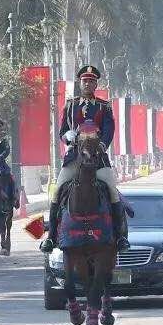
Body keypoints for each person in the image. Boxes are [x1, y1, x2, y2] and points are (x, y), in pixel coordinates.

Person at [40, 65, 129, 253]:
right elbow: (62, 131)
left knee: (112, 191)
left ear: (96, 84)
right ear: (80, 83)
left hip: (98, 159)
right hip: (74, 158)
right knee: (57, 192)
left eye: (91, 81)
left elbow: (108, 131)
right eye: (84, 81)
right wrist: (67, 137)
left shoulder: (104, 106)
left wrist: (101, 146)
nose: (87, 84)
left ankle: (120, 236)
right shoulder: (70, 105)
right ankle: (51, 237)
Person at [0, 118, 15, 204]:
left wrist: (1, 156)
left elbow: (7, 150)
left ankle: (12, 197)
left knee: (9, 176)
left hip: (1, 163)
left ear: (1, 128)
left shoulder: (4, 140)